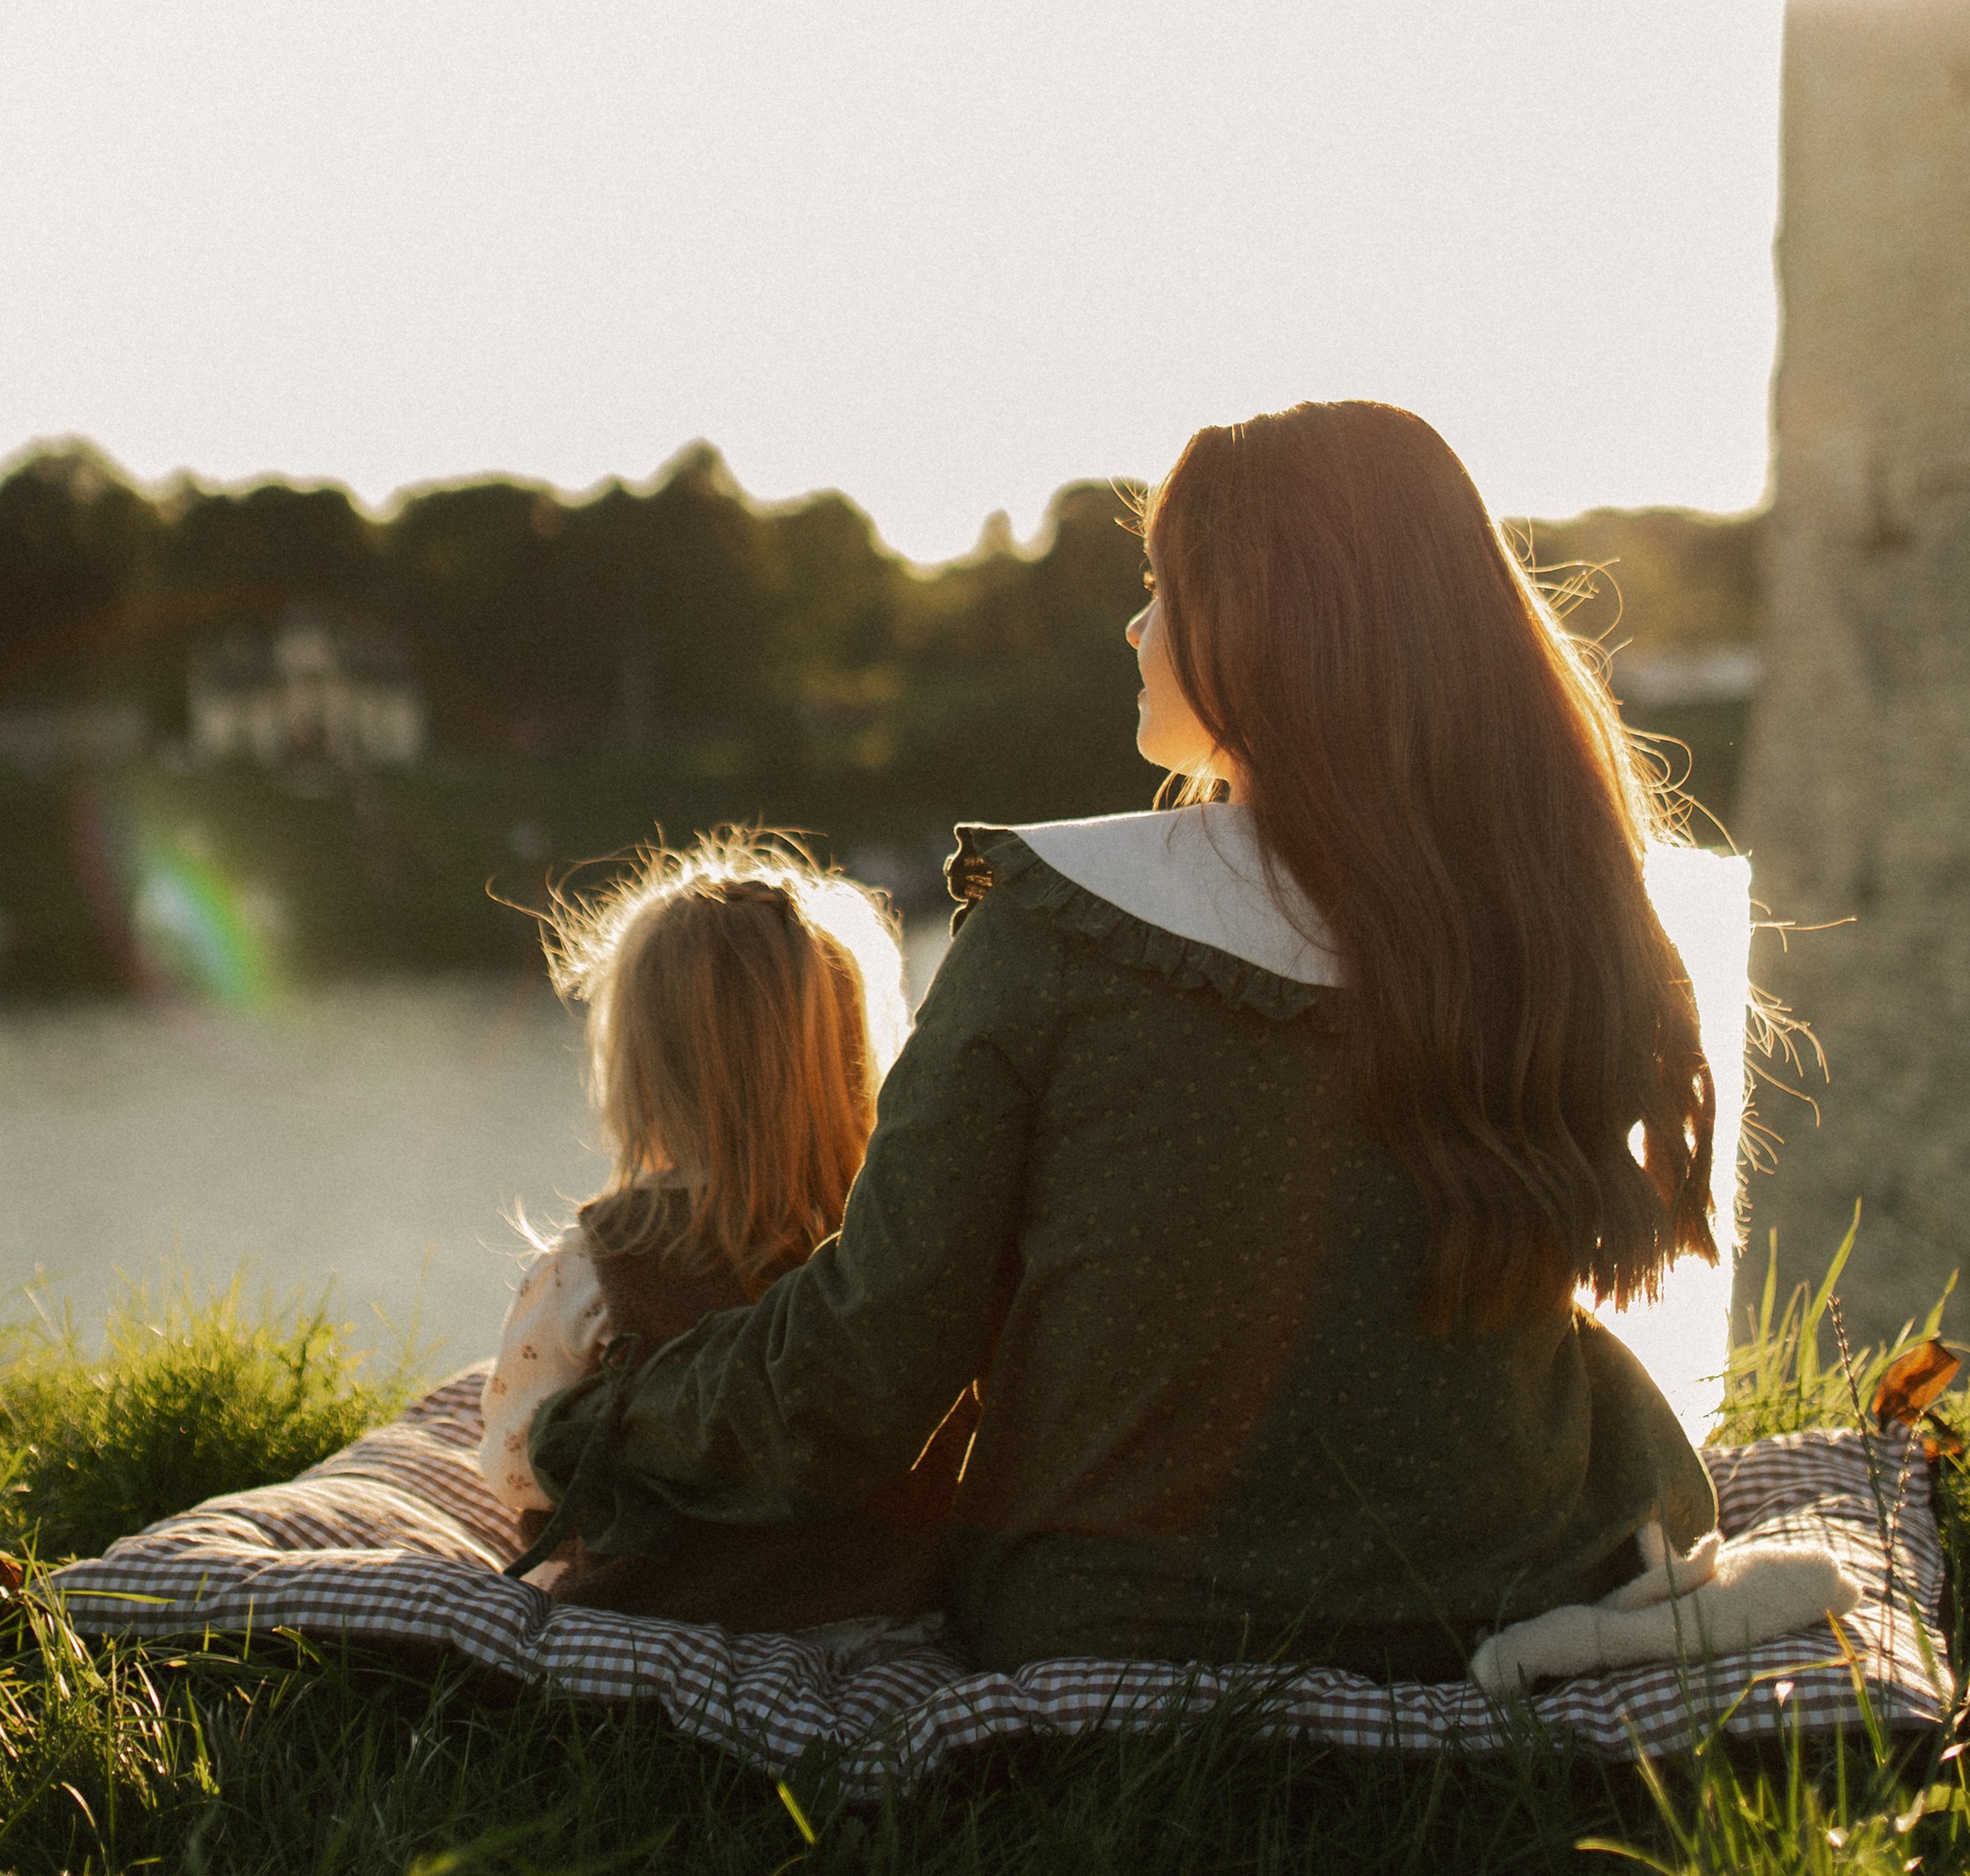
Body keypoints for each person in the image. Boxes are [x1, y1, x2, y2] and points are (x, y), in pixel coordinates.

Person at [523, 404, 1720, 1679]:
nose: (1136, 628)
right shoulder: (1547, 914)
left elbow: (864, 1368)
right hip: (1502, 1588)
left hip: (1113, 1625)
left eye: (1164, 588)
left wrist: (601, 1431)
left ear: (1267, 622)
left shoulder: (1057, 923)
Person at [481, 831, 974, 1626]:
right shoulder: (905, 1245)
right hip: (881, 1615)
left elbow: (518, 1470)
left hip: (651, 1616)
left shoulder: (590, 1270)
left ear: (641, 1067)